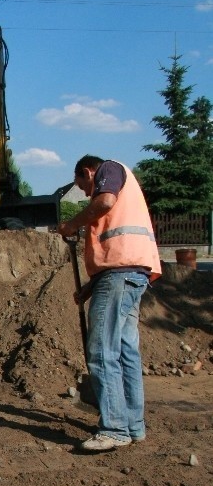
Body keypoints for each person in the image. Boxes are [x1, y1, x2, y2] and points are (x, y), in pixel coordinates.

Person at [58, 155, 161, 453]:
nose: (89, 194)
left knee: (102, 349)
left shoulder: (109, 169)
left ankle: (114, 428)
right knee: (126, 350)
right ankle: (132, 425)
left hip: (120, 276)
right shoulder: (118, 180)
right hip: (129, 273)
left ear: (89, 171)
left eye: (86, 187)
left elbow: (103, 203)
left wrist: (71, 225)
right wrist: (90, 287)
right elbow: (117, 256)